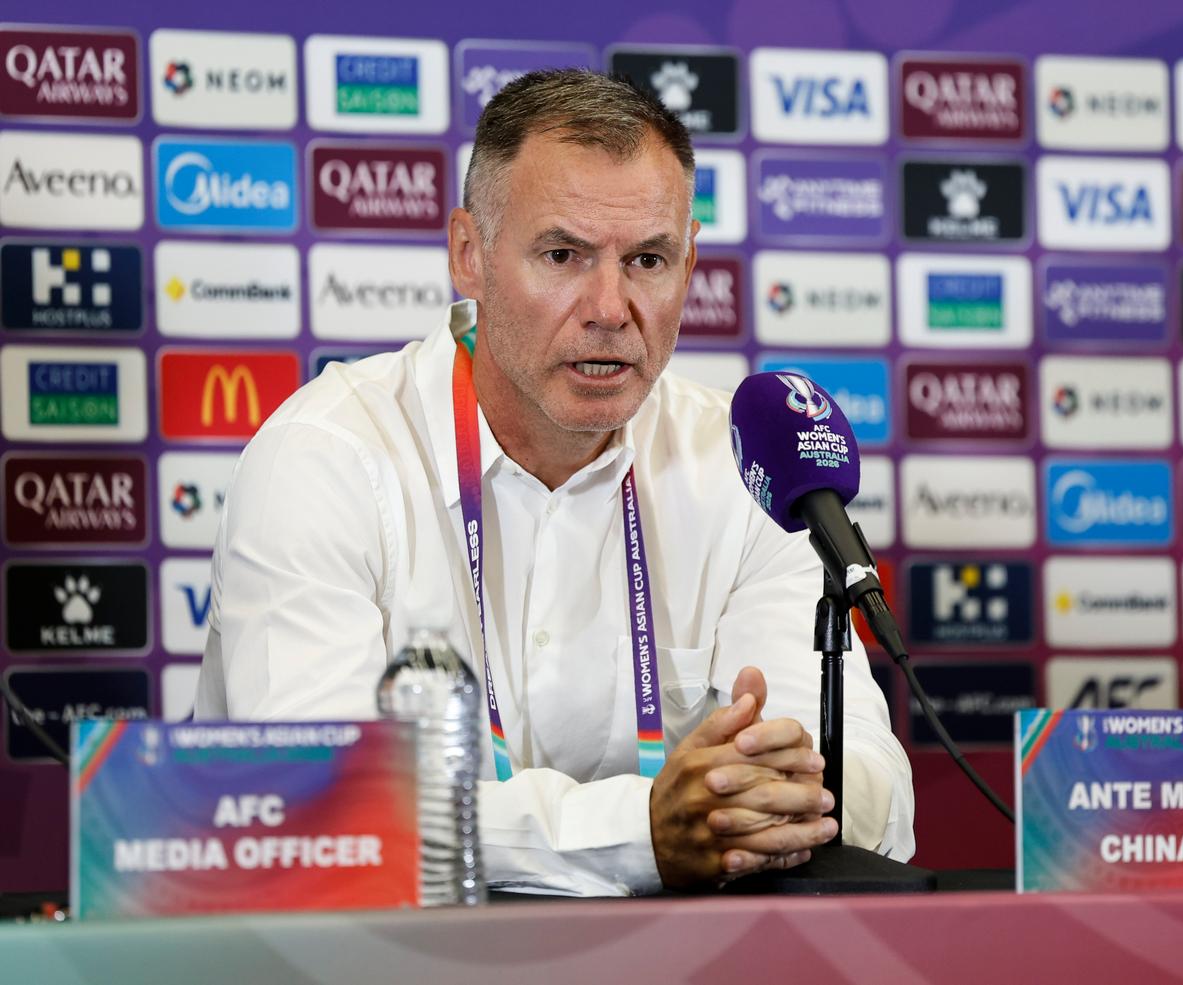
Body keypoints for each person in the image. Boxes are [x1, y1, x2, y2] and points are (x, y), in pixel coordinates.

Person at [194, 69, 914, 894]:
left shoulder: (748, 466)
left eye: (648, 259)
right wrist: (639, 832)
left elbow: (869, 783)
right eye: (563, 255)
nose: (609, 307)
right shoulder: (324, 458)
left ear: (689, 264)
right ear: (468, 254)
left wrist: (784, 797)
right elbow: (324, 808)